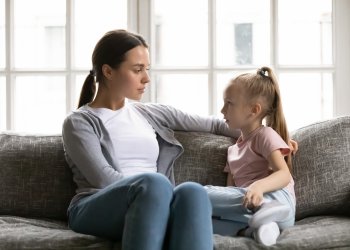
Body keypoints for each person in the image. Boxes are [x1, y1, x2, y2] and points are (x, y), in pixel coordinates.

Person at [62, 29, 238, 250]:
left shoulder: (149, 113)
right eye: (137, 70)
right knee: (154, 183)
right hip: (95, 206)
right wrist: (158, 194)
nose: (146, 78)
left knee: (193, 192)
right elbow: (103, 180)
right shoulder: (79, 122)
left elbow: (215, 124)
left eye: (147, 69)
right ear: (108, 71)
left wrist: (271, 136)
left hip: (154, 199)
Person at [205, 66, 296, 246]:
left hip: (278, 201)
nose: (222, 110)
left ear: (254, 110)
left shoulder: (265, 135)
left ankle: (266, 210)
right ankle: (260, 230)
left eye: (229, 103)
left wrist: (258, 187)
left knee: (198, 193)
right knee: (206, 221)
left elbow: (284, 174)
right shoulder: (232, 151)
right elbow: (230, 193)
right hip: (252, 212)